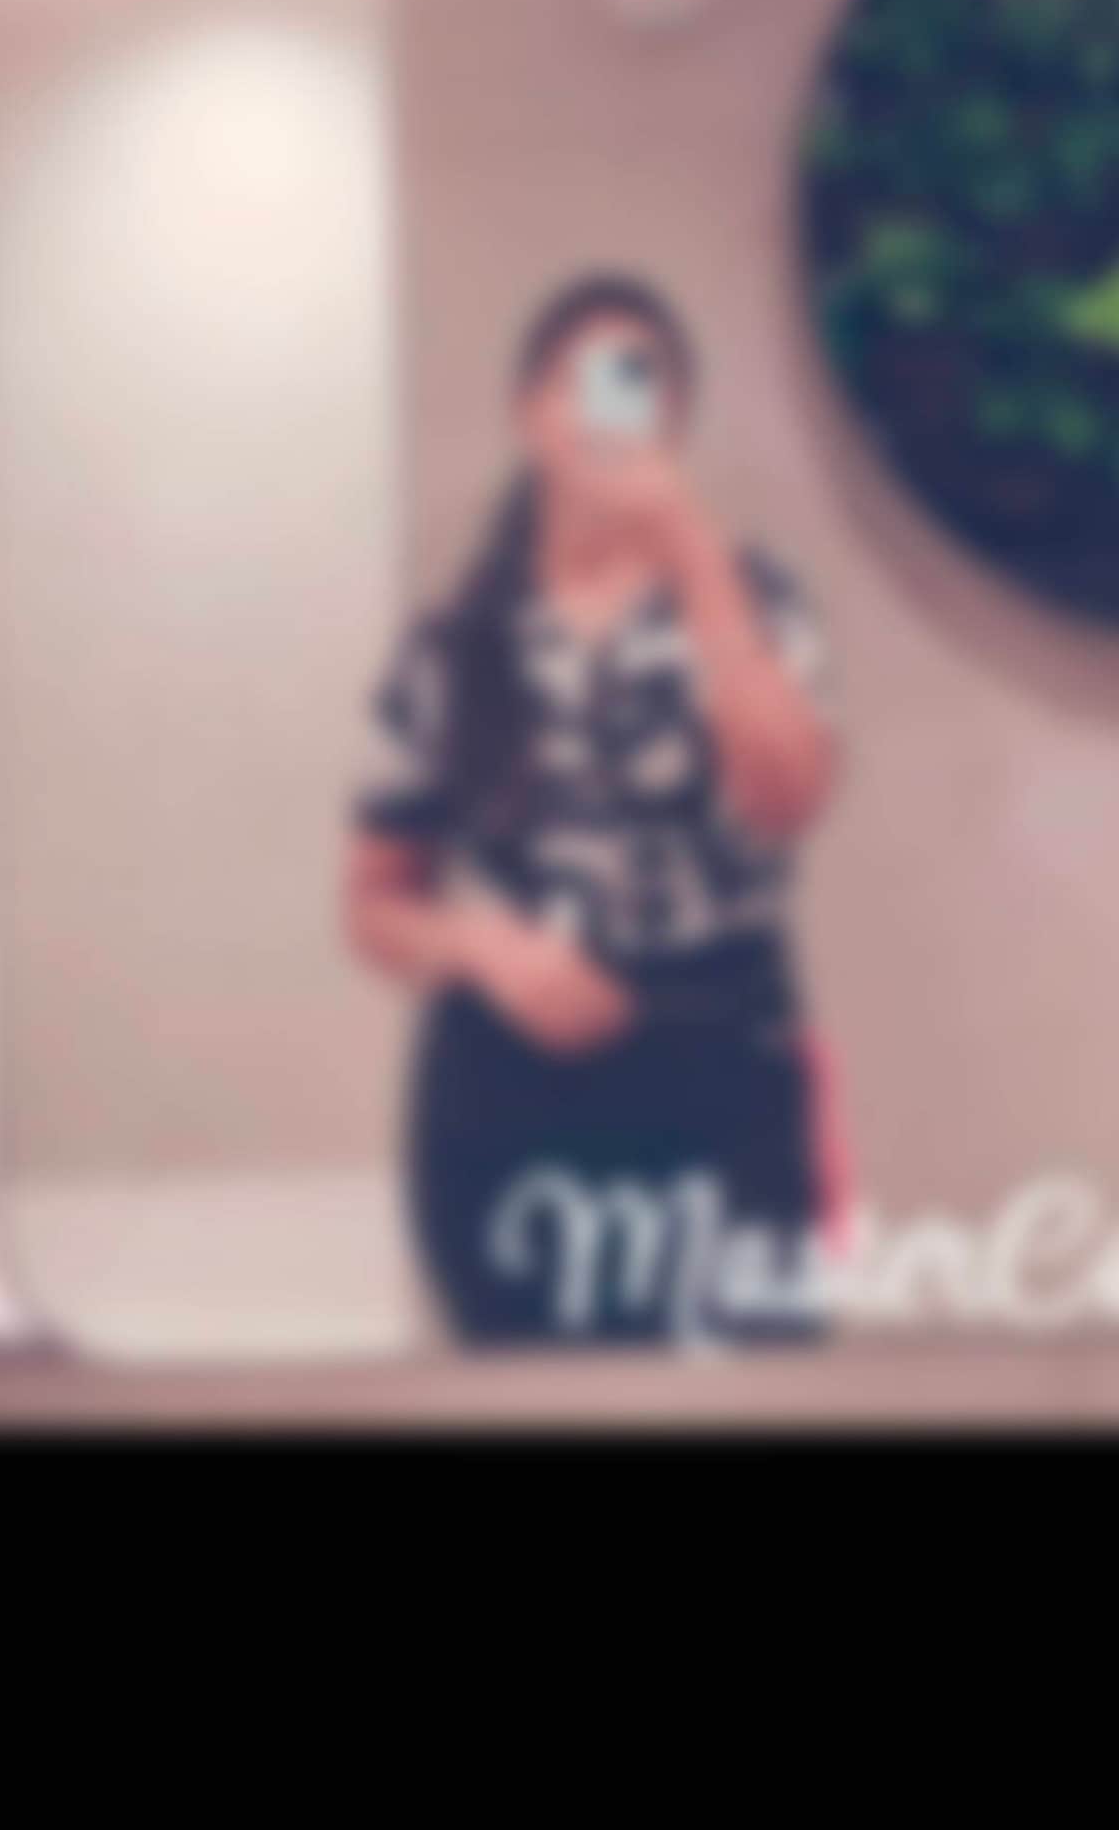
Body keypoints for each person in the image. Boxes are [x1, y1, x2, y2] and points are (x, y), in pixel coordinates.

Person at [341, 273, 842, 1348]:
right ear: (529, 413)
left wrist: (691, 548)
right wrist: (484, 945)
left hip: (723, 1064)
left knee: (761, 1391)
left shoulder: (757, 601)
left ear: (676, 422)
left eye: (637, 383)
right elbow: (374, 906)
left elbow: (787, 796)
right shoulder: (453, 645)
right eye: (583, 381)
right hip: (510, 1087)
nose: (608, 410)